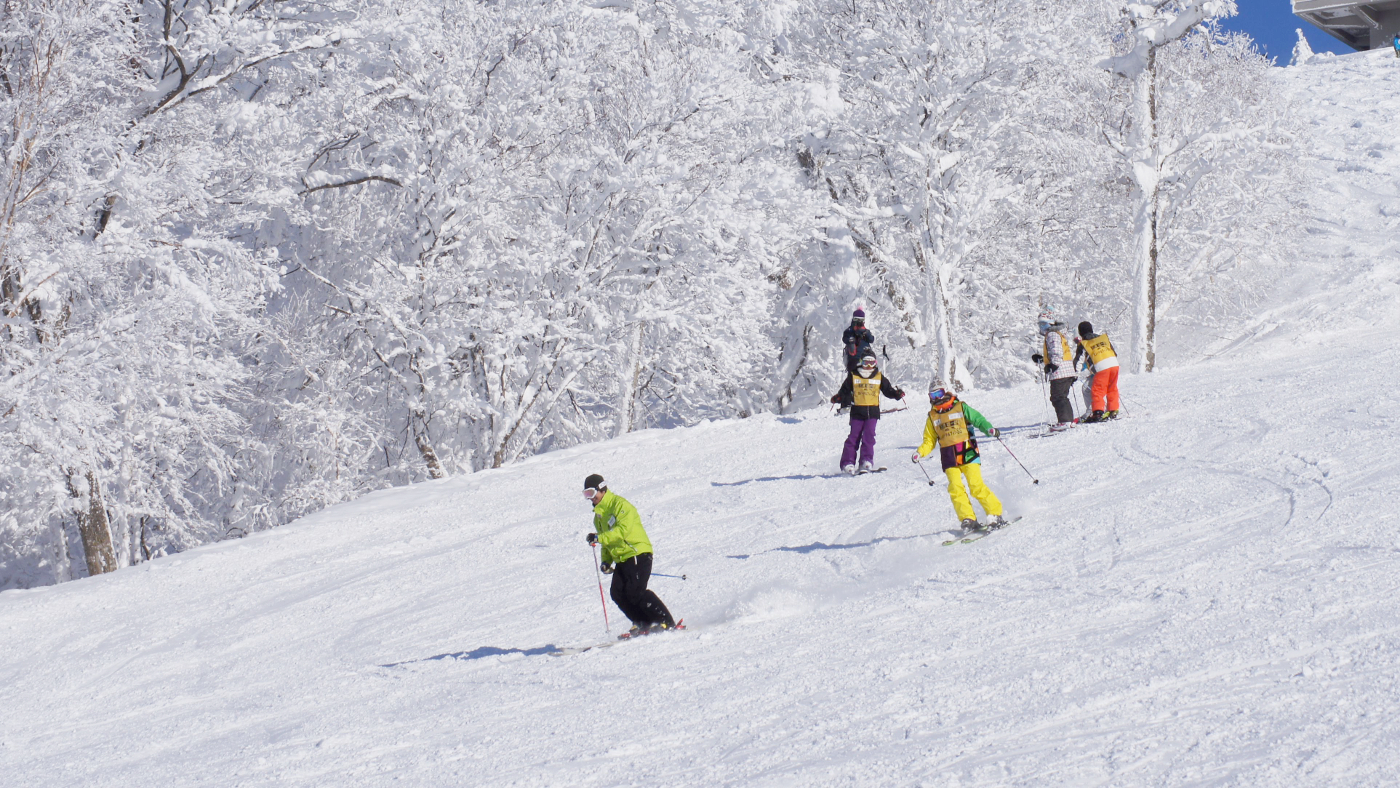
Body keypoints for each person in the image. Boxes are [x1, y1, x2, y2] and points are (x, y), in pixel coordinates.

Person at [583, 474, 677, 638]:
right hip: (622, 558)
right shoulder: (598, 517)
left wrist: (599, 538)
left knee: (635, 591)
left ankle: (665, 621)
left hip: (637, 552)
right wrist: (606, 560)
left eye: (591, 493)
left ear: (602, 489)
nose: (590, 498)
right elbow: (607, 542)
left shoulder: (620, 505)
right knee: (617, 593)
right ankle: (642, 623)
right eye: (586, 495)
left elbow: (621, 532)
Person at [910, 388, 1006, 532]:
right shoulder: (933, 416)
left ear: (946, 392)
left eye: (939, 394)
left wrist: (989, 429)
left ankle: (995, 513)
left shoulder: (960, 407)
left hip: (967, 452)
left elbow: (978, 419)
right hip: (948, 456)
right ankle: (968, 518)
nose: (936, 398)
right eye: (932, 395)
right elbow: (929, 441)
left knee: (975, 485)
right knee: (955, 488)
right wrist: (920, 452)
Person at [829, 352, 904, 474]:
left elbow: (887, 390)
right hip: (857, 412)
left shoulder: (878, 376)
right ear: (861, 363)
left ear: (875, 363)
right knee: (854, 437)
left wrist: (896, 394)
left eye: (871, 363)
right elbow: (845, 391)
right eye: (866, 362)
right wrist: (839, 398)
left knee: (869, 437)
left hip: (872, 413)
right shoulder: (854, 375)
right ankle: (847, 463)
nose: (868, 366)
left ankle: (866, 461)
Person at [1030, 310, 1078, 431]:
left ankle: (1065, 421)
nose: (1042, 326)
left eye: (1044, 323)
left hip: (1060, 371)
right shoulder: (1057, 334)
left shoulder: (1052, 334)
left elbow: (1056, 351)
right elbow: (1055, 351)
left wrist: (1053, 364)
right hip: (1067, 370)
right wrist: (1043, 359)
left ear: (1051, 322)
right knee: (1062, 396)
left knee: (1057, 397)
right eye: (1040, 324)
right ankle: (1068, 420)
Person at [1073, 320, 1121, 422]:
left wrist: (1074, 374)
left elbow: (1078, 361)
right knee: (1112, 387)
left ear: (1080, 333)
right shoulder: (1103, 338)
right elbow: (1114, 352)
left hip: (1101, 366)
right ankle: (1113, 409)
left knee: (1097, 390)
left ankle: (1097, 412)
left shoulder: (1084, 343)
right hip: (1114, 364)